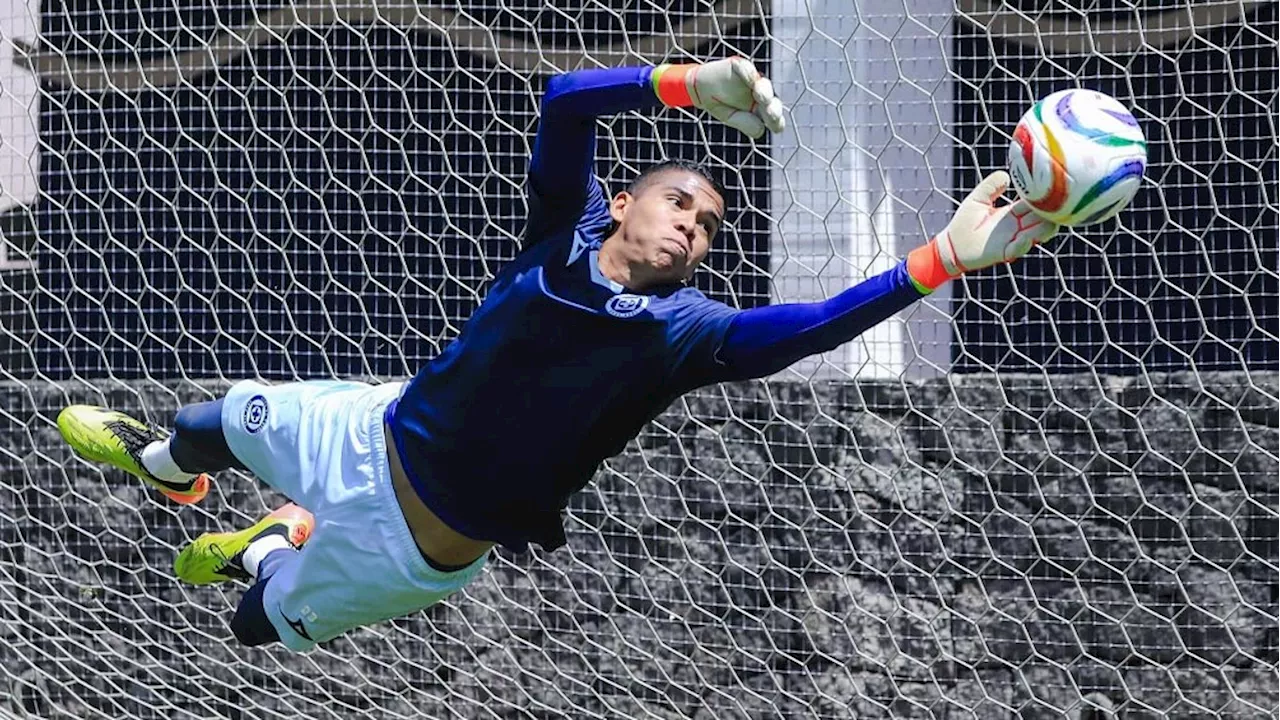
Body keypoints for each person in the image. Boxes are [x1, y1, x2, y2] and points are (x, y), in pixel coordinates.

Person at [57, 57, 1059, 652]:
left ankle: (275, 542)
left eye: (709, 226)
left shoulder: (686, 336)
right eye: (678, 202)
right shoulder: (563, 233)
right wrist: (681, 84)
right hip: (367, 429)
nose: (691, 227)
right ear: (623, 201)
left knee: (251, 625)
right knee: (200, 429)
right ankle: (168, 479)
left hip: (416, 550)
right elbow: (565, 99)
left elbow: (814, 325)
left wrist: (937, 260)